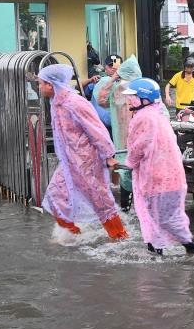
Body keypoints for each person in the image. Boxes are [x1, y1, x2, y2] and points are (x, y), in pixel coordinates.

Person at [37, 63, 129, 240]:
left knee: (100, 199)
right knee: (56, 195)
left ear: (50, 84)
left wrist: (108, 156)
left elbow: (97, 129)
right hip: (70, 161)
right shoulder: (57, 102)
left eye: (41, 83)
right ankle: (73, 234)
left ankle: (120, 236)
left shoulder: (74, 102)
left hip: (88, 160)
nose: (39, 88)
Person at [122, 77, 194, 256]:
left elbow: (137, 148)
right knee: (161, 217)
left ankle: (193, 248)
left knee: (165, 218)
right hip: (170, 176)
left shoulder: (143, 118)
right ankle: (159, 253)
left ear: (143, 99)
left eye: (133, 97)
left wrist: (126, 163)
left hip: (158, 178)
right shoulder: (157, 114)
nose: (129, 100)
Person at [97, 55, 144, 198]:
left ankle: (134, 208)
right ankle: (127, 207)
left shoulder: (144, 89)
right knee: (125, 170)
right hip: (123, 140)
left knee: (139, 172)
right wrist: (112, 79)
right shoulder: (117, 90)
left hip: (141, 139)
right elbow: (101, 101)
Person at [90, 54, 121, 135]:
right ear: (105, 67)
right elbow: (79, 88)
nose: (114, 69)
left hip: (115, 124)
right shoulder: (99, 80)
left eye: (117, 66)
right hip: (103, 125)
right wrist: (90, 80)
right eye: (111, 66)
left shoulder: (124, 82)